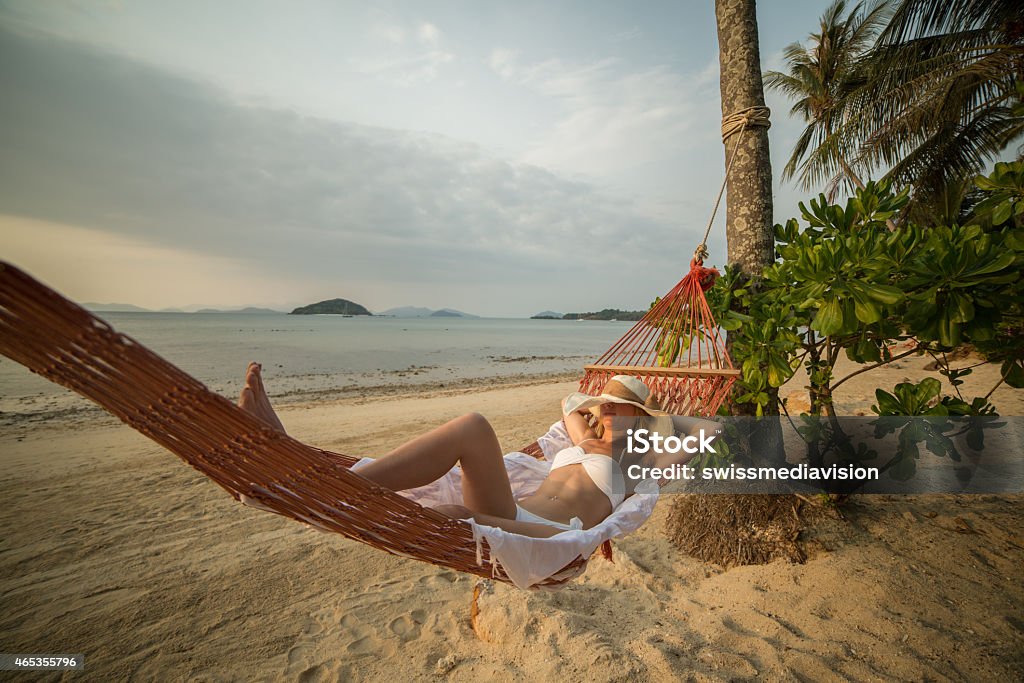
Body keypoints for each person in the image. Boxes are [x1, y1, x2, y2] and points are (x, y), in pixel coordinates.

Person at [238, 363, 715, 538]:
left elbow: (707, 429)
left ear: (639, 418)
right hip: (510, 510)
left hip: (545, 535)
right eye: (604, 405)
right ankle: (295, 459)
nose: (606, 411)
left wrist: (652, 415)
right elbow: (569, 403)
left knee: (444, 511)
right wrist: (598, 406)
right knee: (472, 427)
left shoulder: (641, 461)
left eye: (617, 407)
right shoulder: (582, 438)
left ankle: (311, 483)